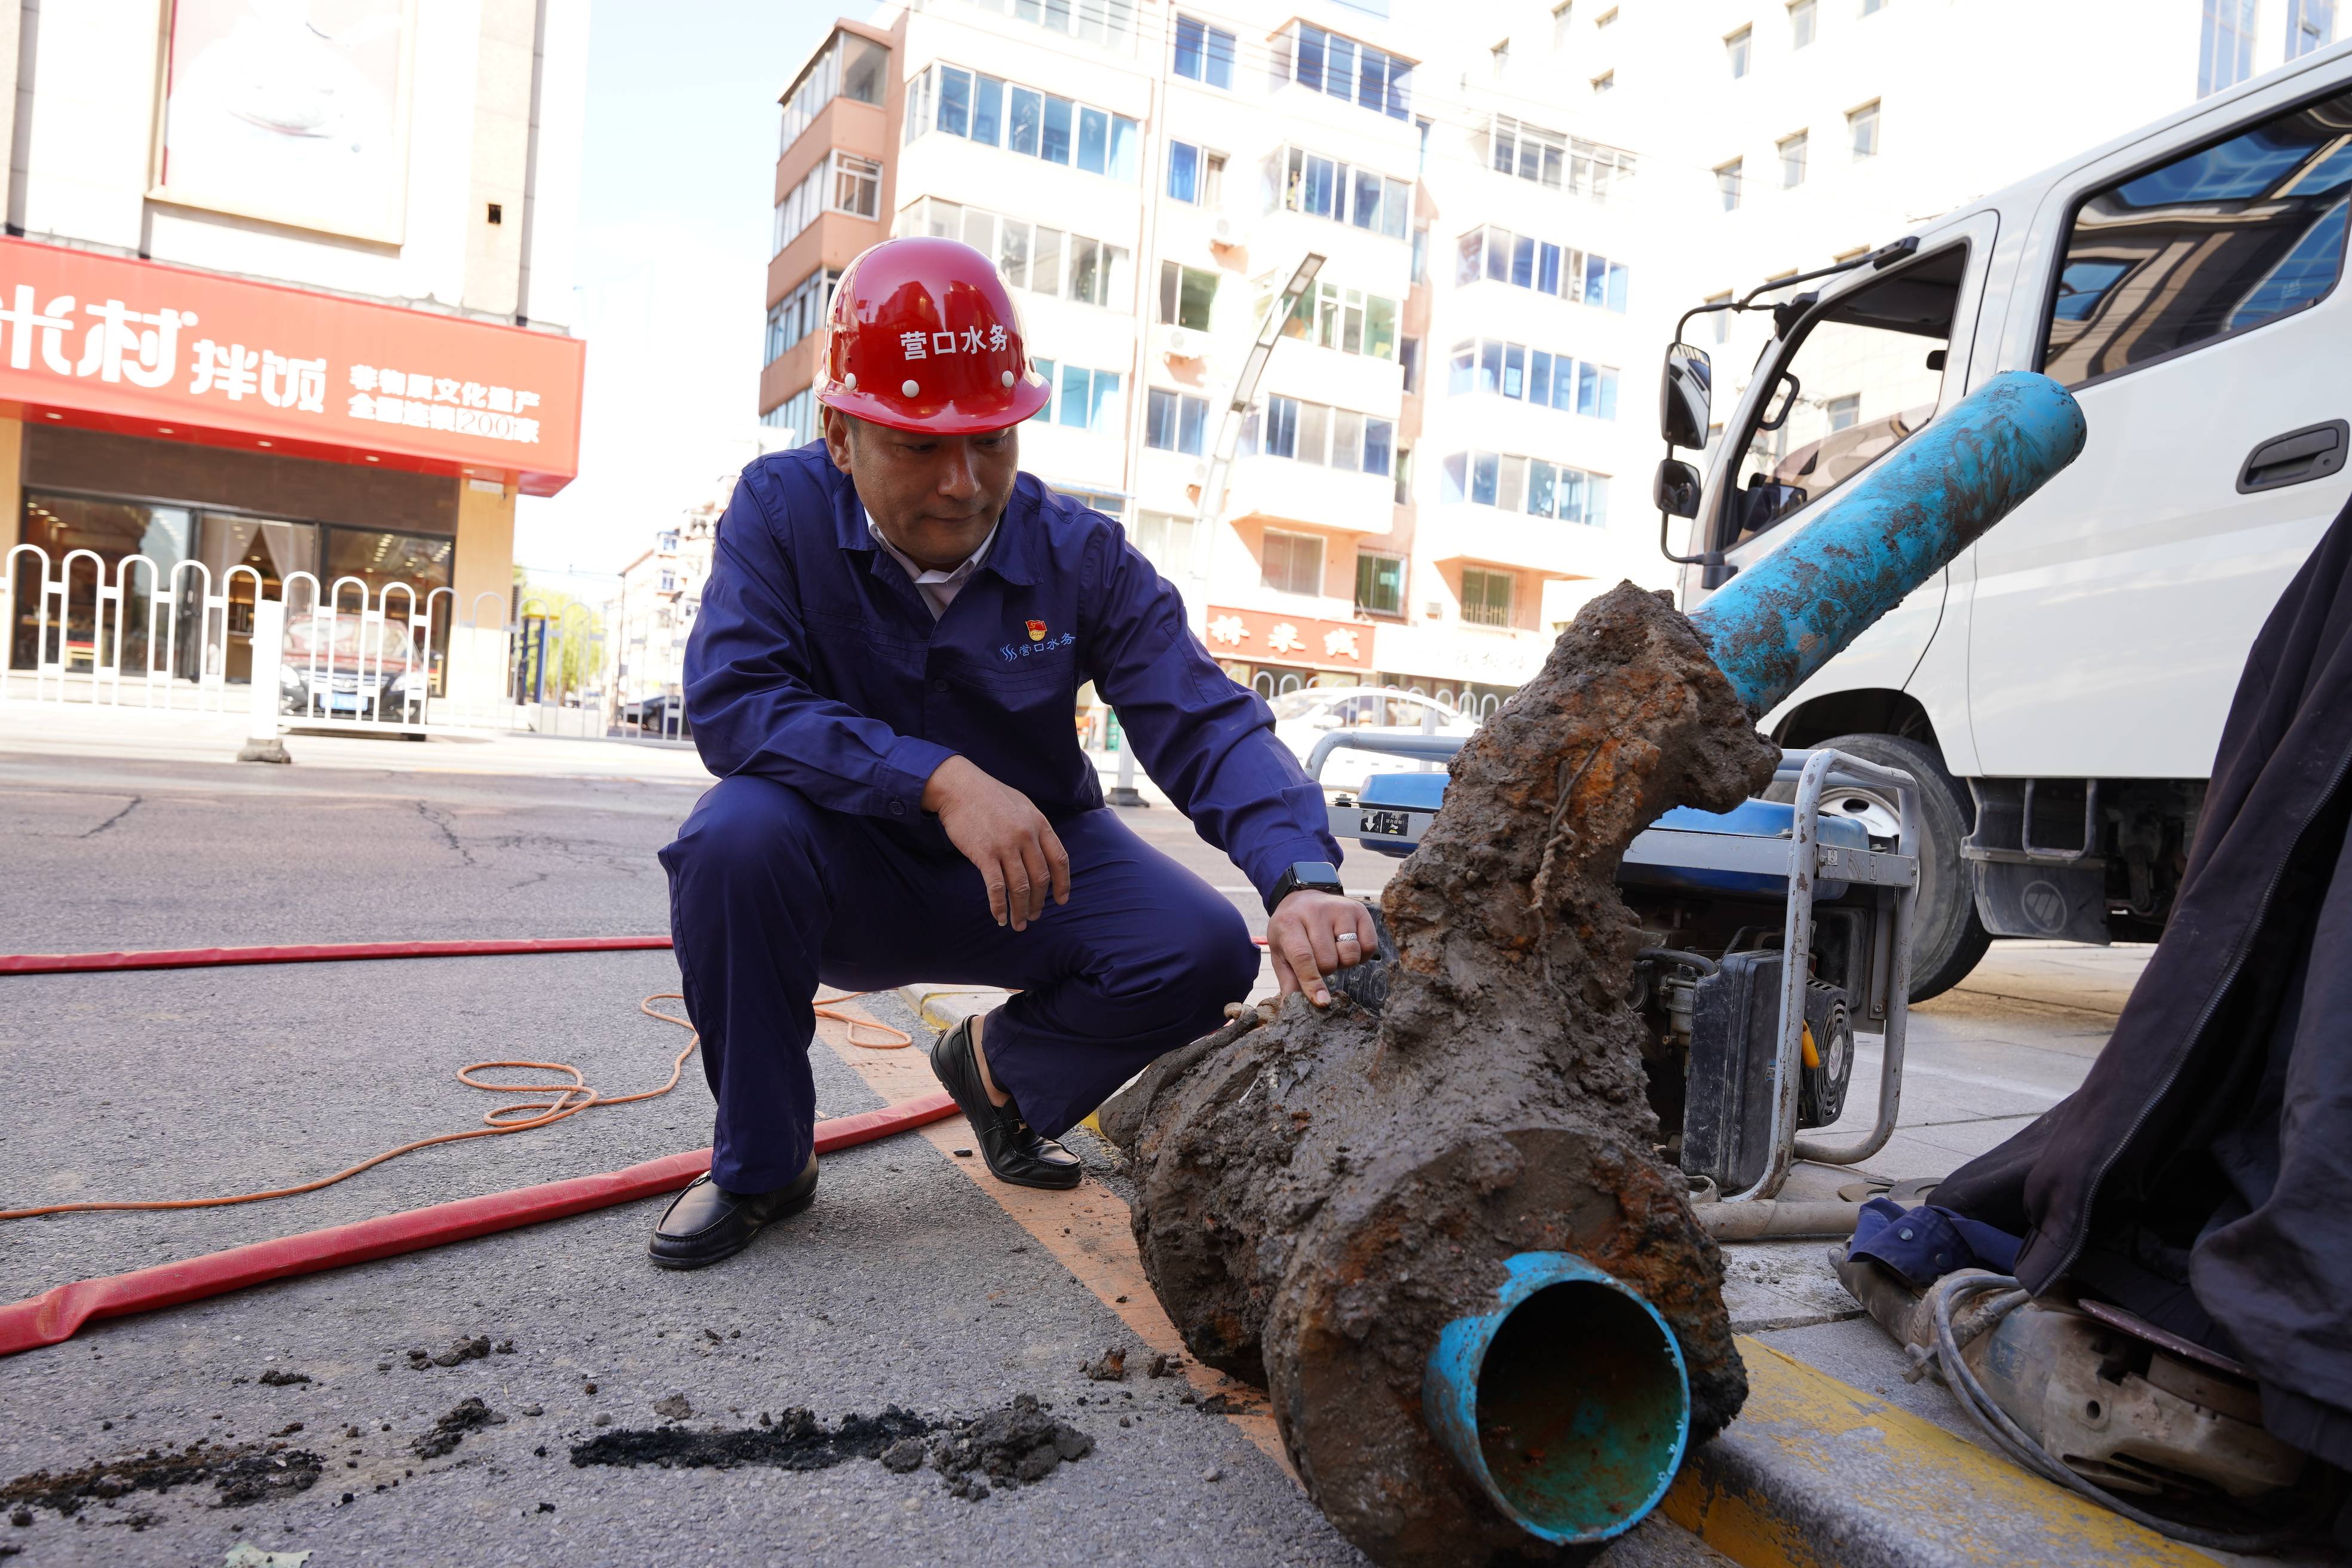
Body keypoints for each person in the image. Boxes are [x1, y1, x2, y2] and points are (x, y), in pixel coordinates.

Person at [648, 236, 1377, 1269]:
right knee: (733, 839)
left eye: (992, 440)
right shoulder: (780, 513)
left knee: (1201, 946)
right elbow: (736, 701)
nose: (963, 483)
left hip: (1033, 873)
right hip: (842, 866)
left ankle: (998, 1073)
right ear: (841, 436)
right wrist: (937, 779)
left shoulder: (1080, 554)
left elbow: (1204, 720)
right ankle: (764, 1165)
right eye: (919, 447)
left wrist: (1301, 876)